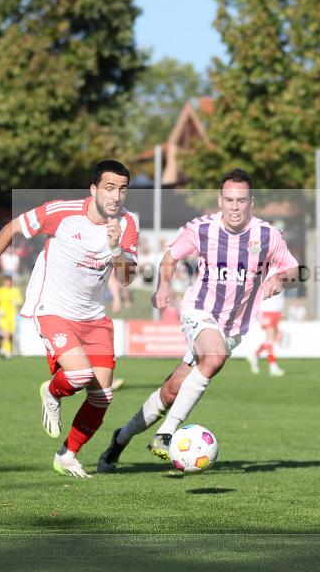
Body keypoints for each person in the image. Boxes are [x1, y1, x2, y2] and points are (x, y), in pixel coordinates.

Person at [98, 169, 299, 472]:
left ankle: (121, 438)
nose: (234, 206)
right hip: (199, 311)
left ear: (251, 202)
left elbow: (294, 270)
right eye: (229, 200)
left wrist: (279, 278)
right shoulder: (202, 228)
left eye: (241, 200)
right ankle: (166, 434)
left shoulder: (268, 235)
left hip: (234, 328)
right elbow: (170, 258)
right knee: (213, 357)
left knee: (171, 391)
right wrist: (163, 286)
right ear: (220, 200)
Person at [0, 160, 138, 478]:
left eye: (122, 189)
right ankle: (52, 391)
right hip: (53, 310)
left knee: (102, 396)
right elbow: (12, 228)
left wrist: (116, 248)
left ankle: (67, 455)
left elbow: (127, 279)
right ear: (93, 189)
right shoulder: (61, 212)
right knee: (79, 375)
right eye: (109, 188)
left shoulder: (128, 224)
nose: (116, 196)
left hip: (94, 318)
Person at [247, 286, 286, 376]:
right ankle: (273, 366)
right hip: (267, 310)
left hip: (277, 310)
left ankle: (255, 355)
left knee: (271, 340)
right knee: (270, 339)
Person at [0, 276, 22, 358]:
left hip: (13, 316)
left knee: (9, 335)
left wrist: (17, 302)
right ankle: (7, 352)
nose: (7, 283)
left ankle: (3, 348)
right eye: (6, 282)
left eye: (9, 282)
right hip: (3, 316)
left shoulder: (15, 291)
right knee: (6, 334)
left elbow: (20, 301)